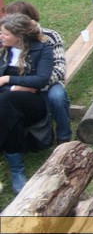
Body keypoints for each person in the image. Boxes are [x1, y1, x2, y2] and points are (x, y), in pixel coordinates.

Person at [0, 13, 54, 194]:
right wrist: (16, 88)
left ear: (19, 35)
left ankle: (17, 170)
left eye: (5, 34)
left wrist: (7, 79)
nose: (1, 36)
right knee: (8, 108)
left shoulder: (42, 47)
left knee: (6, 102)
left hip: (34, 103)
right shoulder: (1, 49)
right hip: (7, 100)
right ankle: (17, 170)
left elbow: (40, 80)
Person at [4, 1, 71, 146]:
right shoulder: (7, 40)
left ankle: (64, 136)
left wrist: (37, 84)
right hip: (22, 82)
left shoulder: (50, 36)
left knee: (57, 97)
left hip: (48, 81)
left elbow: (59, 69)